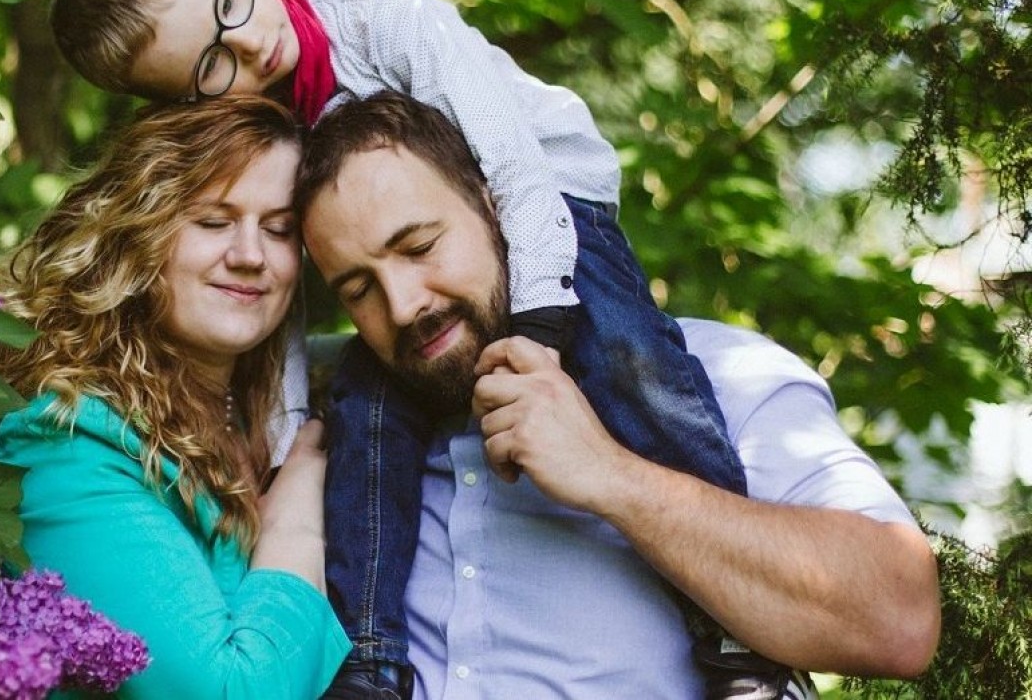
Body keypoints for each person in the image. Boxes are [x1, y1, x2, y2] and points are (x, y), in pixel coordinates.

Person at [50, 0, 781, 698]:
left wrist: (540, 326)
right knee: (364, 422)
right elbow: (286, 310)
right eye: (211, 65)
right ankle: (369, 663)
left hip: (550, 199)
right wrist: (285, 441)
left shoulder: (377, 18)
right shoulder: (267, 130)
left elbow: (514, 165)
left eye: (229, 5)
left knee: (628, 362)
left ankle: (734, 631)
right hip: (425, 275)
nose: (251, 45)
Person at [294, 90, 942, 699]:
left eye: (419, 247)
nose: (402, 305)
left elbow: (898, 621)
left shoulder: (718, 377)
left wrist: (609, 473)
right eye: (359, 290)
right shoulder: (355, 457)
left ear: (499, 206)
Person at [0, 95, 350, 699]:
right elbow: (230, 692)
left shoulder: (263, 411)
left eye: (279, 229)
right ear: (138, 230)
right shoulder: (66, 436)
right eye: (212, 221)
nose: (250, 255)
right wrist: (294, 523)